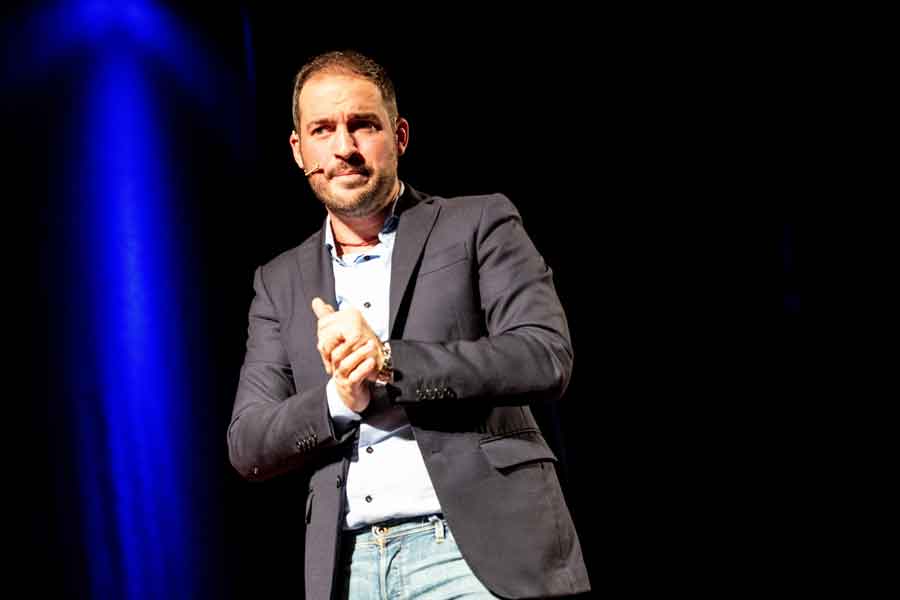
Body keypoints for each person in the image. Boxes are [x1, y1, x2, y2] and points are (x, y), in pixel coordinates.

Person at [227, 49, 590, 600]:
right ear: (299, 150)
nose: (344, 148)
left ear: (398, 135)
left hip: (476, 553)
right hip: (350, 568)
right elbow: (249, 443)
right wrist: (339, 400)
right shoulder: (279, 281)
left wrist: (391, 360)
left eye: (362, 125)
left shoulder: (478, 222)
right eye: (323, 130)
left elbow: (544, 354)